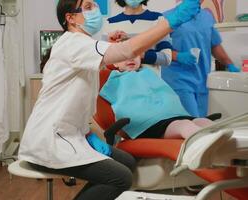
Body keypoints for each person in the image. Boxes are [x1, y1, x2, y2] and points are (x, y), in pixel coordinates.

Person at [18, 0, 200, 199]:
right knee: (120, 177)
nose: (95, 10)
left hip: (74, 136)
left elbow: (109, 59)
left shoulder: (83, 45)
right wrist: (168, 23)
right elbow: (126, 51)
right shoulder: (72, 43)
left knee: (128, 162)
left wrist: (88, 136)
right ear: (70, 18)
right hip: (50, 141)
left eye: (95, 5)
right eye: (87, 7)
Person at [101, 54, 213, 140]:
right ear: (114, 63)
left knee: (202, 121)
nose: (130, 58)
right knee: (184, 125)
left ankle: (225, 141)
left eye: (135, 54)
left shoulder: (148, 73)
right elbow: (90, 67)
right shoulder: (113, 79)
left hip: (172, 116)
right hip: (147, 125)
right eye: (124, 56)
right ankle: (206, 142)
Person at [162, 0, 241, 118]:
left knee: (201, 121)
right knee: (192, 123)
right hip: (178, 80)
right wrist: (178, 56)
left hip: (202, 80)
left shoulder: (207, 17)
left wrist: (230, 64)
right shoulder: (167, 17)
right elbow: (158, 49)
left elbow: (214, 45)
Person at [103, 0, 172, 74]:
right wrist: (112, 46)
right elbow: (104, 63)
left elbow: (166, 58)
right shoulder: (110, 22)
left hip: (150, 83)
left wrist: (135, 52)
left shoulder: (158, 19)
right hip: (121, 83)